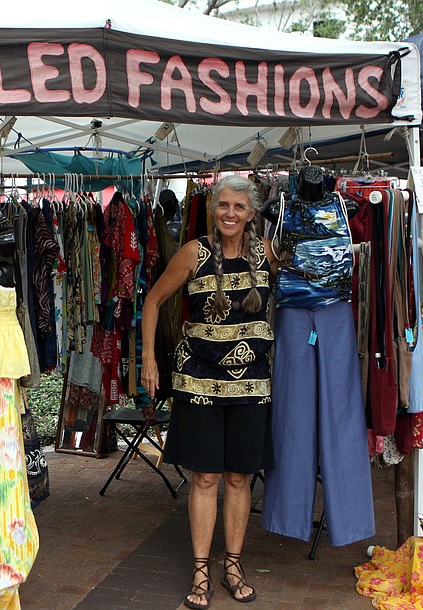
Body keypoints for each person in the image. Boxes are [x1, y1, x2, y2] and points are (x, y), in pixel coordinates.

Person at [141, 175, 277, 609]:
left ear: (252, 213)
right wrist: (147, 357)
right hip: (198, 383)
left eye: (239, 206)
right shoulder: (193, 253)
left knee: (239, 477)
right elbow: (152, 302)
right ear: (213, 209)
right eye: (223, 205)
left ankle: (232, 565)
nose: (230, 213)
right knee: (205, 477)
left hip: (251, 386)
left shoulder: (266, 254)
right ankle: (202, 571)